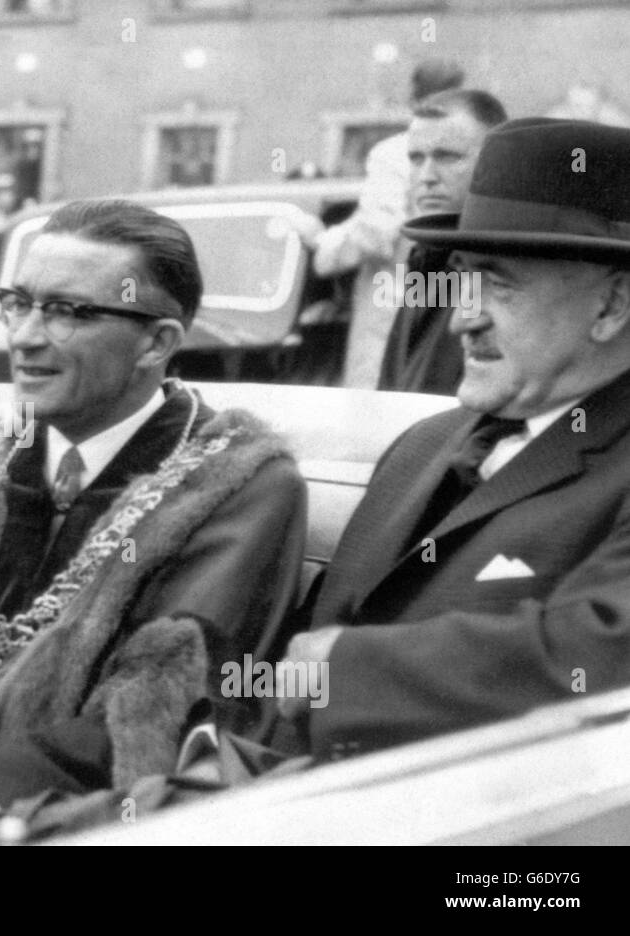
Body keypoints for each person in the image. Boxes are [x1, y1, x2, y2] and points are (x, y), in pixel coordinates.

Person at [0, 199, 307, 812]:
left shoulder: (237, 483)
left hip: (47, 815)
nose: (24, 337)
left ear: (156, 343)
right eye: (17, 303)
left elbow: (161, 707)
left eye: (67, 313)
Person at [276, 118, 630, 760]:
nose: (462, 316)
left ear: (610, 308)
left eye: (498, 283)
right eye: (460, 276)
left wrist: (346, 667)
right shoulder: (424, 444)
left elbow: (602, 654)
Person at [301, 58, 465, 389]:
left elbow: (376, 232)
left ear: (414, 100)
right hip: (461, 287)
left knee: (379, 397)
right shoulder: (477, 148)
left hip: (395, 291)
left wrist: (325, 245)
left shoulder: (394, 152)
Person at [378, 90, 508, 394]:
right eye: (416, 158)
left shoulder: (501, 270)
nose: (426, 176)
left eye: (447, 157)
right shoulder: (427, 257)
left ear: (497, 162)